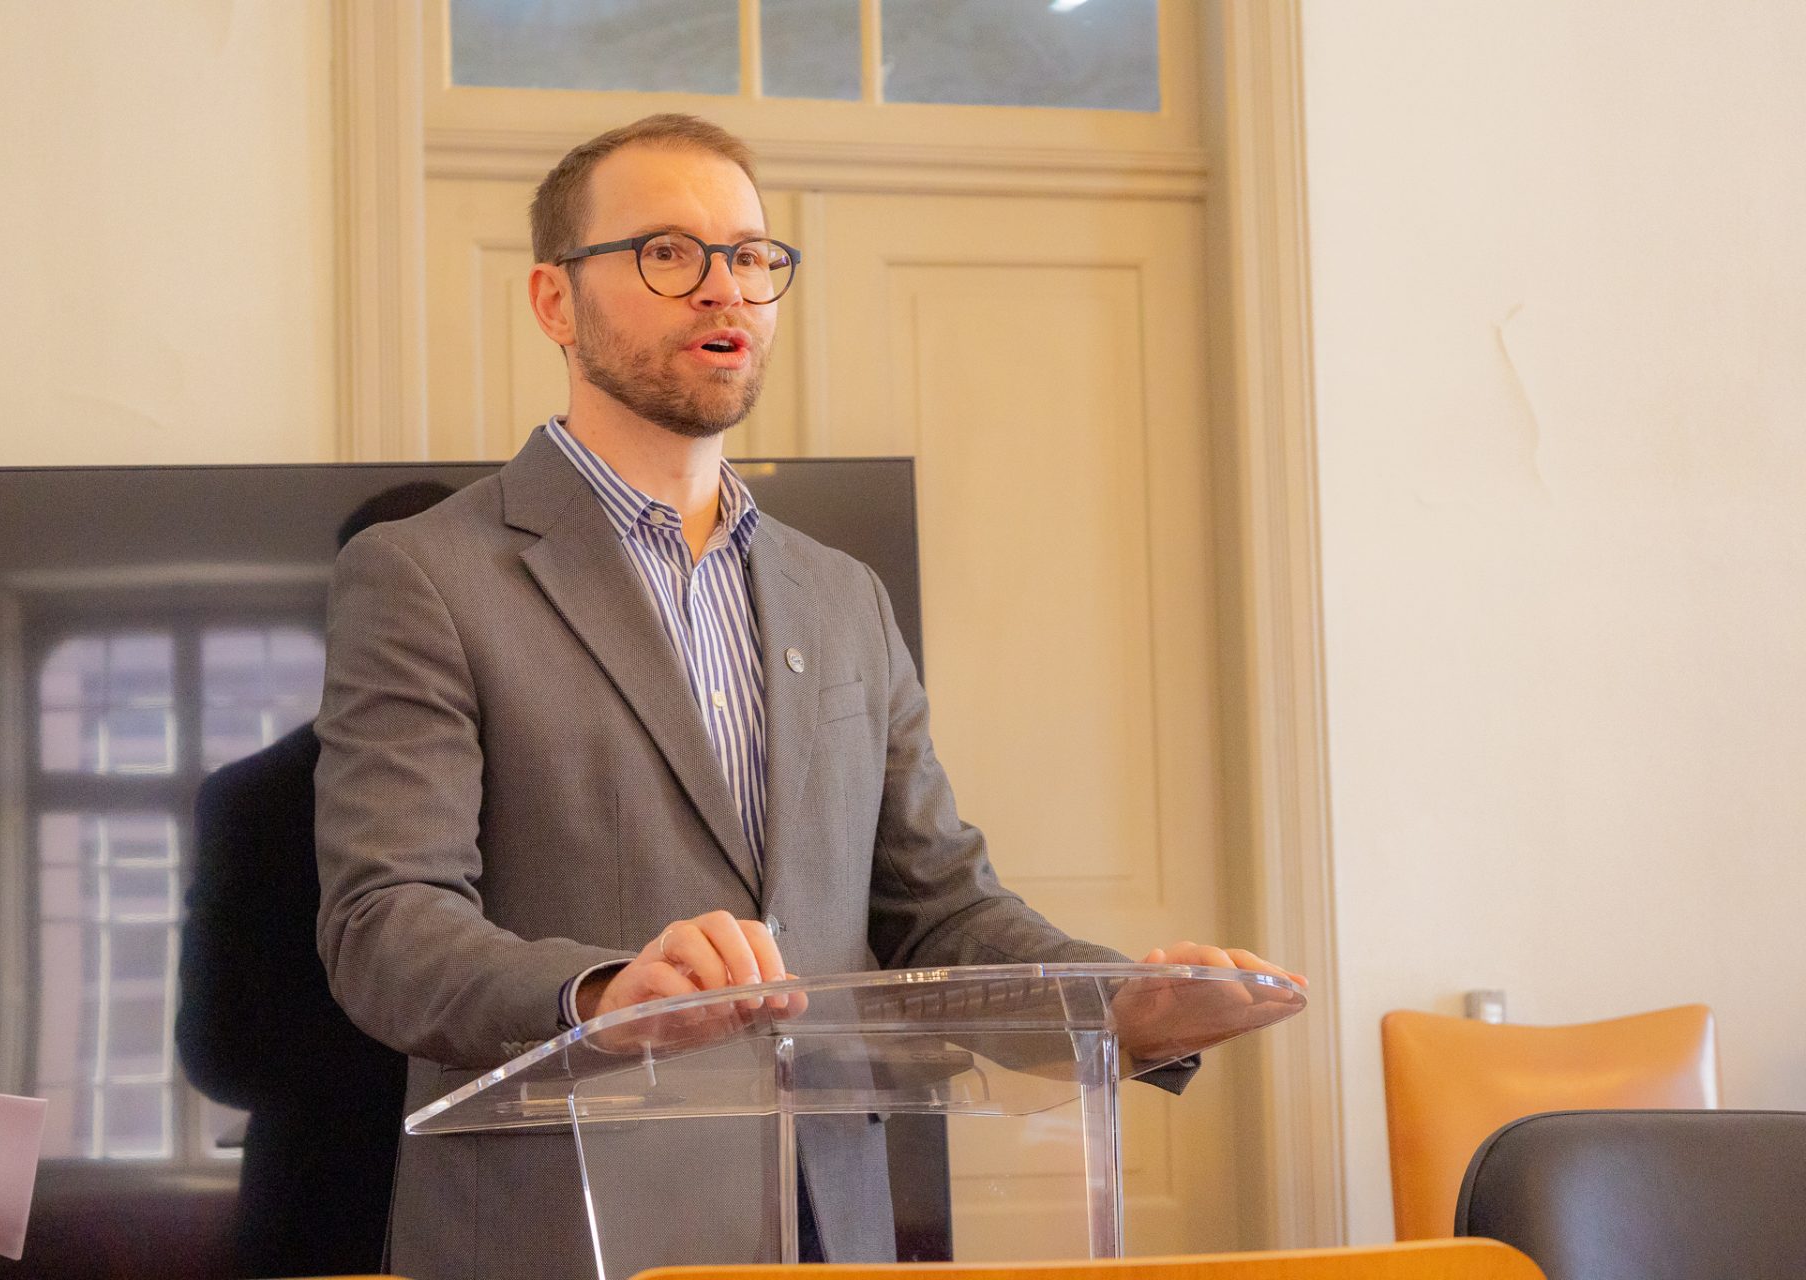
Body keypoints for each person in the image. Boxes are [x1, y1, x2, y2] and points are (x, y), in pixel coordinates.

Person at [313, 113, 1301, 1280]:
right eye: (667, 252)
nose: (723, 286)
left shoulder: (841, 596)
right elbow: (386, 924)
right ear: (553, 301)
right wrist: (602, 993)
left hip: (829, 1232)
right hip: (560, 1234)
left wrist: (1117, 1007)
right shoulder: (426, 574)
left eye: (750, 254)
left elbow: (940, 911)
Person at [178, 482, 454, 1278]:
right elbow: (216, 1049)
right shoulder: (252, 800)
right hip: (318, 1216)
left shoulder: (558, 783)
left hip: (534, 1214)